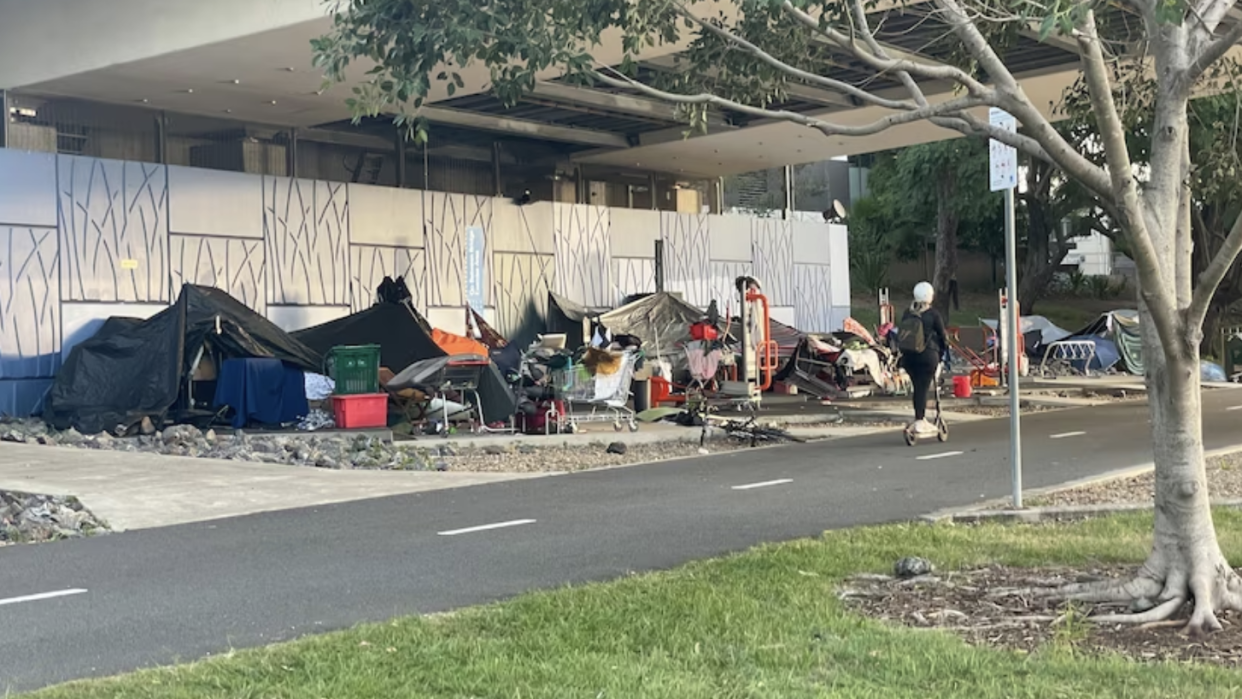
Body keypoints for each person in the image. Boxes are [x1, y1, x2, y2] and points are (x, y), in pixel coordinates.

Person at [896, 282, 949, 434]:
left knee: (917, 387)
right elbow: (943, 337)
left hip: (909, 358)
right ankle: (920, 420)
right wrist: (942, 353)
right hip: (927, 357)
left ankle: (919, 417)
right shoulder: (933, 314)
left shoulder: (907, 313)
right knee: (923, 388)